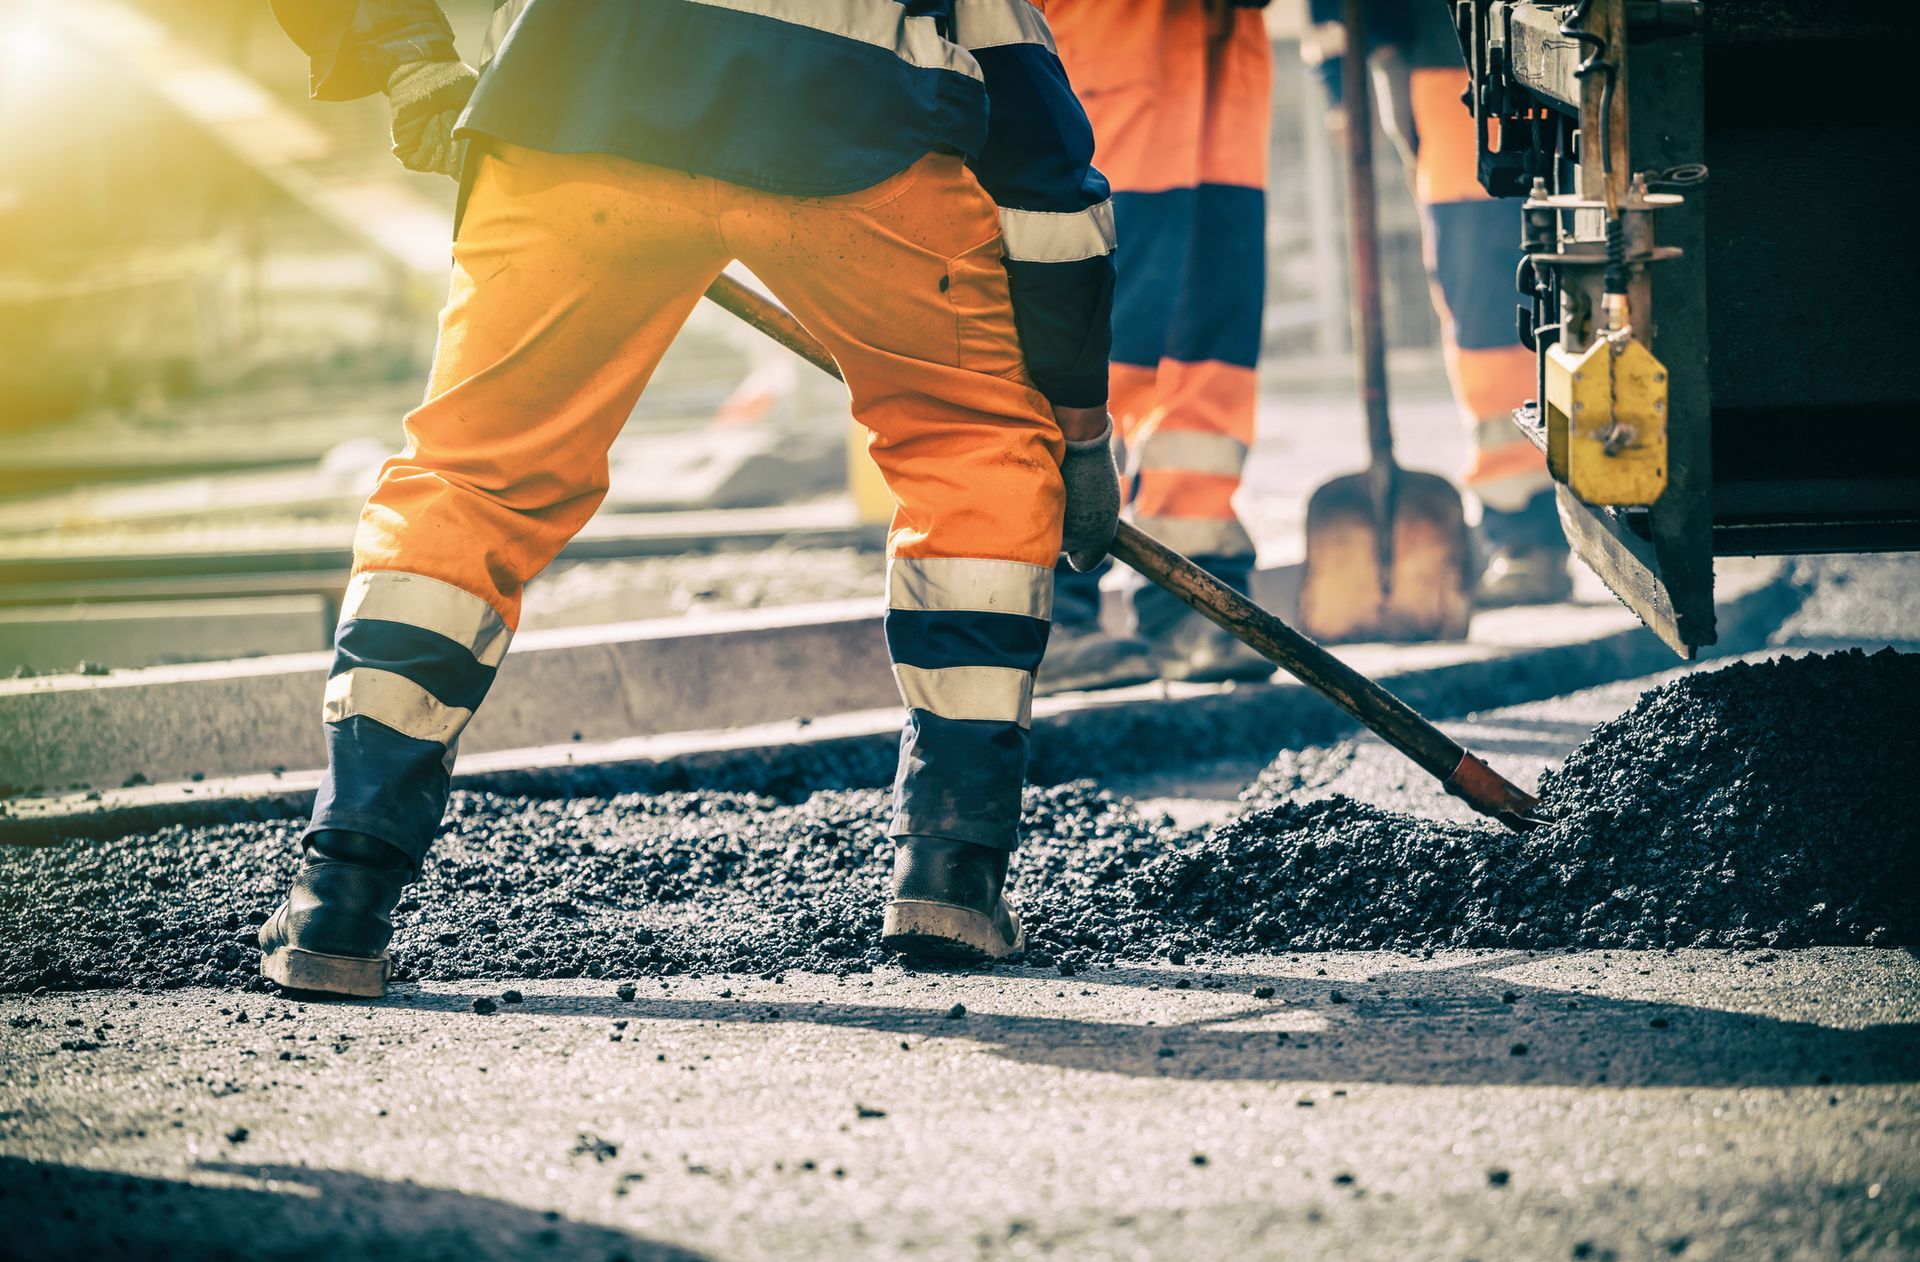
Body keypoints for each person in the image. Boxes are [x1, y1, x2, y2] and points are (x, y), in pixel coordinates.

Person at [258, 0, 1121, 994]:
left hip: (581, 93)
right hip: (851, 116)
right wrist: (1078, 422)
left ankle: (343, 887)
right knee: (971, 446)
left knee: (474, 474)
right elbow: (1041, 157)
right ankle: (952, 872)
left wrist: (405, 60)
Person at [1036, 0, 1282, 693]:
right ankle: (1041, 611)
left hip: (1220, 36)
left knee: (1210, 333)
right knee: (1095, 308)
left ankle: (1191, 595)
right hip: (1105, 32)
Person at [1306, 0, 1573, 604]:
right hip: (1453, 62)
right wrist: (1349, 80)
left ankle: (1598, 515)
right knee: (1490, 312)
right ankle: (1524, 526)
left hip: (1591, 48)